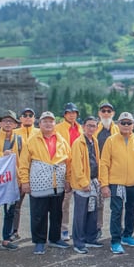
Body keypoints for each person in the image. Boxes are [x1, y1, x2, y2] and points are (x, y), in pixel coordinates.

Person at [18, 111, 72, 255]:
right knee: (38, 214)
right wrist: (25, 181)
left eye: (51, 121)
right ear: (40, 124)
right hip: (39, 183)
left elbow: (68, 162)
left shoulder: (62, 140)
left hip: (57, 183)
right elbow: (24, 163)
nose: (48, 124)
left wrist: (68, 180)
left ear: (55, 123)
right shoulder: (32, 140)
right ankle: (39, 241)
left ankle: (55, 238)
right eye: (45, 121)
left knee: (57, 213)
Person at [99, 112, 134, 255]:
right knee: (116, 211)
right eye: (123, 123)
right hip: (116, 183)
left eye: (129, 123)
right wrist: (104, 185)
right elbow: (104, 163)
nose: (126, 125)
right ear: (118, 124)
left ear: (133, 125)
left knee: (131, 210)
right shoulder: (111, 140)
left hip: (133, 183)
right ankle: (115, 241)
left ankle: (127, 235)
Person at [69, 117, 103, 254]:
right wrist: (84, 182)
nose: (91, 128)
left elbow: (97, 160)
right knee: (80, 214)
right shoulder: (78, 142)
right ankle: (78, 242)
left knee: (92, 211)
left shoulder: (94, 141)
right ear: (83, 126)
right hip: (82, 183)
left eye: (94, 126)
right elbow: (76, 165)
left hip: (94, 181)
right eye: (89, 125)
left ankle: (90, 238)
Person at [0, 111, 23, 251]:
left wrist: (21, 180)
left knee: (10, 212)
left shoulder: (19, 140)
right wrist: (1, 154)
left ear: (16, 125)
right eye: (5, 121)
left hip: (12, 181)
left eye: (11, 121)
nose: (8, 123)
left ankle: (6, 239)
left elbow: (23, 161)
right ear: (0, 123)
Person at [10, 107, 40, 241]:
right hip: (18, 174)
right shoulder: (14, 133)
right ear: (20, 118)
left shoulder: (39, 133)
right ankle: (13, 231)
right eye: (25, 115)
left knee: (38, 207)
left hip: (37, 174)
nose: (28, 117)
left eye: (30, 115)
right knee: (15, 205)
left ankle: (38, 232)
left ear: (34, 119)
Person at [56, 102, 82, 242]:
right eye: (69, 113)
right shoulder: (58, 129)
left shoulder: (80, 129)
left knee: (81, 201)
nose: (71, 115)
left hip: (79, 168)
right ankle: (63, 228)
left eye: (74, 113)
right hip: (64, 166)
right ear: (64, 114)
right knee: (64, 202)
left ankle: (79, 229)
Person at [94, 101, 119, 238]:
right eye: (103, 111)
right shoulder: (94, 130)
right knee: (98, 203)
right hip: (98, 170)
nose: (106, 113)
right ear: (99, 113)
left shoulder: (118, 130)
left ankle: (117, 229)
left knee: (117, 202)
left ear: (113, 113)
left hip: (115, 171)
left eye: (109, 111)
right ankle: (97, 227)